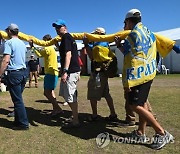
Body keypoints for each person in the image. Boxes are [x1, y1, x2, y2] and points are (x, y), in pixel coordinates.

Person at [114, 9, 173, 149]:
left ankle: (161, 132)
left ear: (128, 21)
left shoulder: (132, 35)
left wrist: (119, 46)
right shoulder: (148, 32)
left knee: (135, 105)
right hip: (148, 73)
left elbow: (128, 53)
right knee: (143, 103)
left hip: (138, 74)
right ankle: (140, 132)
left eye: (125, 23)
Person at [83, 27, 118, 122]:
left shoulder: (99, 44)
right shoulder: (106, 43)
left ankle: (94, 115)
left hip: (98, 73)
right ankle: (113, 113)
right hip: (104, 73)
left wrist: (86, 44)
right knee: (106, 93)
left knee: (92, 94)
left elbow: (92, 57)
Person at [52, 19, 81, 128]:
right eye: (56, 27)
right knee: (68, 95)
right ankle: (75, 116)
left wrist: (65, 71)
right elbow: (65, 52)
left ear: (65, 27)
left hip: (70, 71)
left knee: (70, 96)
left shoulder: (66, 37)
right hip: (72, 70)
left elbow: (68, 55)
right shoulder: (66, 39)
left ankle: (76, 121)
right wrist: (57, 45)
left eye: (59, 27)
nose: (57, 29)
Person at [0, 23, 29, 130]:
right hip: (23, 72)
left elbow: (6, 60)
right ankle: (18, 121)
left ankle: (23, 124)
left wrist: (0, 74)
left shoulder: (9, 43)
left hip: (14, 73)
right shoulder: (22, 43)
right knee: (18, 98)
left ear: (10, 31)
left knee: (17, 100)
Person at [29, 34, 63, 117]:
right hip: (53, 72)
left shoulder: (48, 48)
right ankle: (56, 109)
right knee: (51, 92)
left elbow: (40, 54)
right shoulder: (52, 49)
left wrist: (32, 47)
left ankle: (58, 108)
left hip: (50, 72)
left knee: (46, 93)